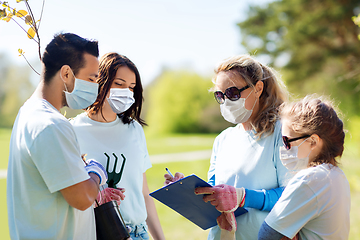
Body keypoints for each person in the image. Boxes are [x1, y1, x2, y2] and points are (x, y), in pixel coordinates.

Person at [164, 55, 291, 239]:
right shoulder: (223, 139)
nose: (226, 101)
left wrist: (242, 196)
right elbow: (214, 196)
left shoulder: (282, 133)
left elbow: (292, 196)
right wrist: (190, 190)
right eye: (220, 95)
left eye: (232, 93)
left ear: (258, 88)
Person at [7, 33, 108, 240]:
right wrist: (96, 171)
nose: (94, 88)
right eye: (91, 79)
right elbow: (82, 198)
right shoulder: (51, 124)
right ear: (66, 74)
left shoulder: (28, 113)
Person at [70, 52, 165, 240]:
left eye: (131, 87)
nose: (126, 92)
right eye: (119, 84)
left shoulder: (134, 129)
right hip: (99, 233)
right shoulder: (72, 131)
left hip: (140, 233)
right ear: (100, 82)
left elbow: (144, 194)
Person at [258, 96, 351, 240]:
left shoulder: (309, 179)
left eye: (286, 141)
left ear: (313, 141)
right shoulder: (337, 175)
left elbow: (266, 235)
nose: (283, 148)